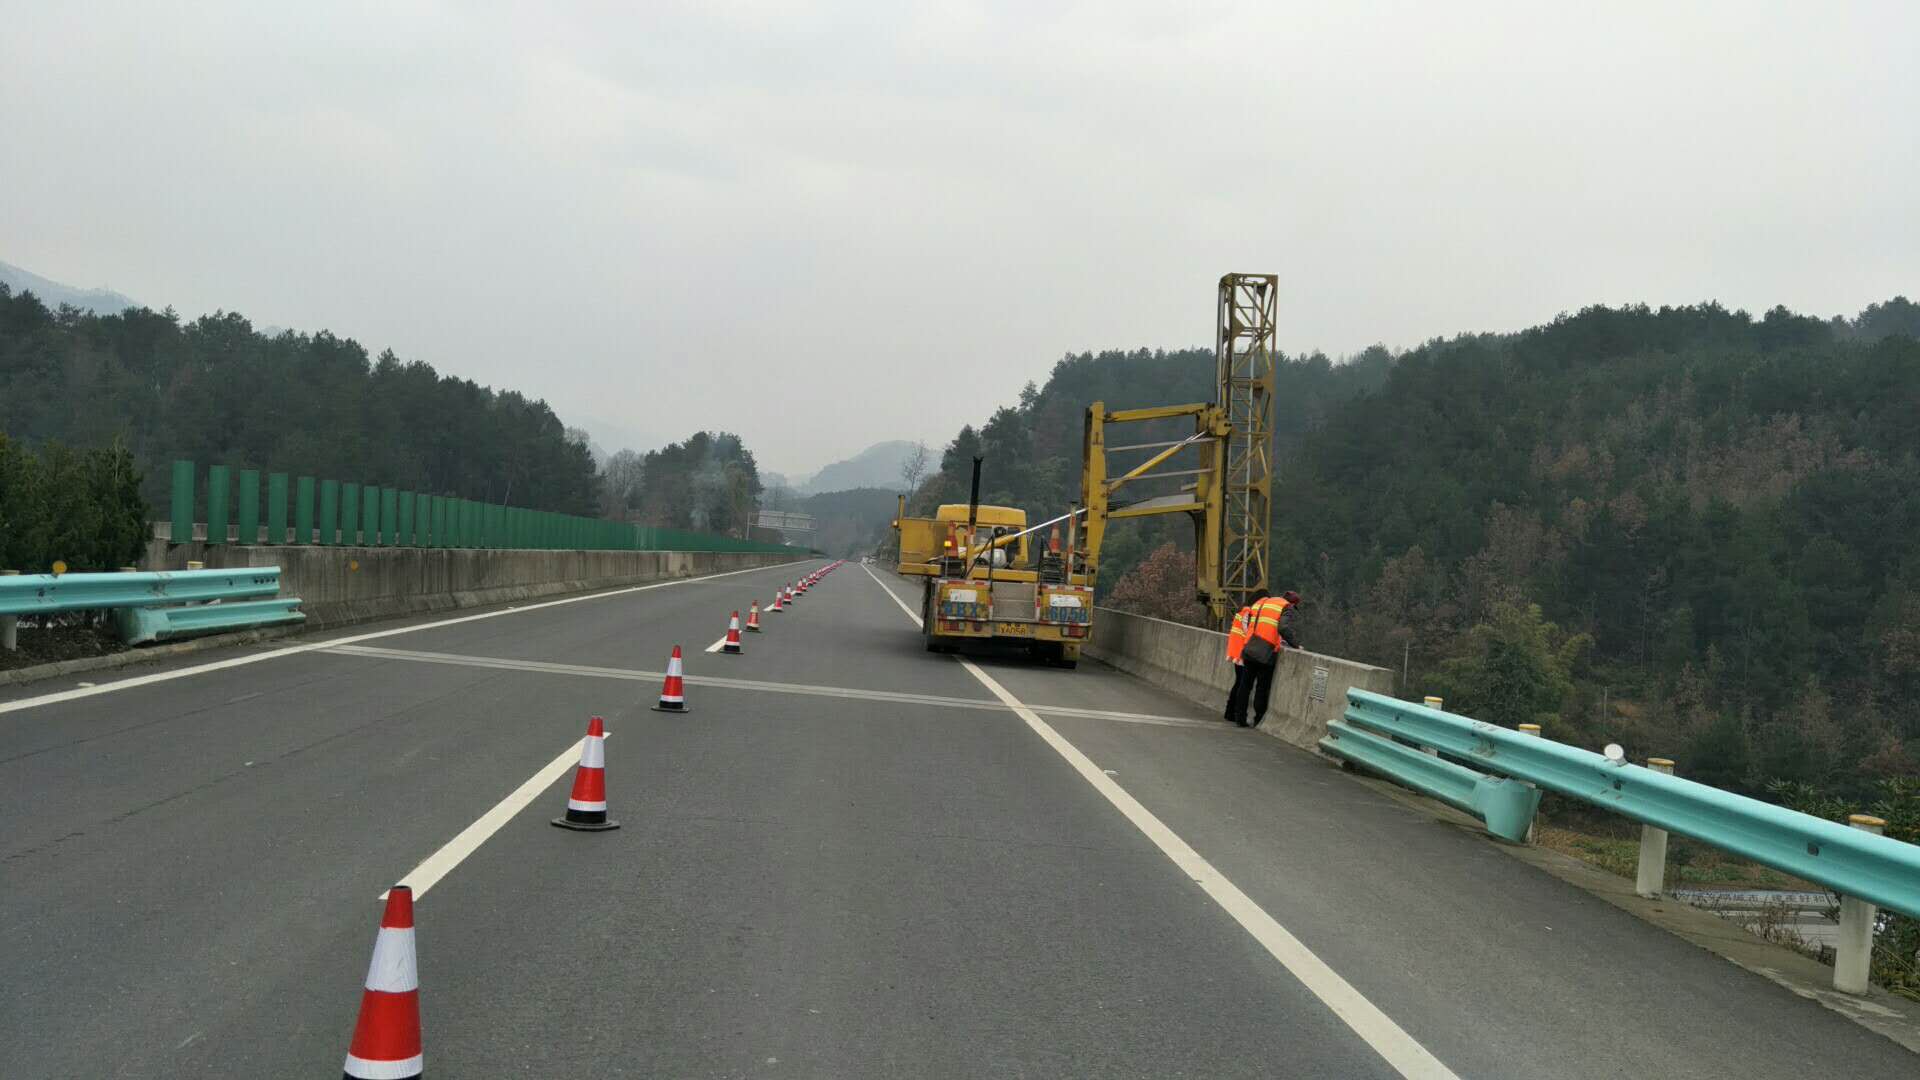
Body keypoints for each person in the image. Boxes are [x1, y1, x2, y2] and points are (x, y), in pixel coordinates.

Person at [1228, 589, 1301, 728]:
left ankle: (1240, 718)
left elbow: (1251, 623)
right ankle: (1258, 719)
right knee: (1262, 687)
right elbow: (1283, 628)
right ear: (1292, 603)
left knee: (1245, 685)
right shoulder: (1286, 607)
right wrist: (1296, 645)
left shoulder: (1264, 602)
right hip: (1266, 652)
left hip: (1249, 647)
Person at [1223, 599, 1254, 722]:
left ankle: (1229, 712)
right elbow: (1247, 631)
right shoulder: (1247, 611)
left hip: (1236, 651)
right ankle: (1233, 712)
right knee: (1241, 684)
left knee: (1238, 683)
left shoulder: (1241, 610)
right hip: (1242, 653)